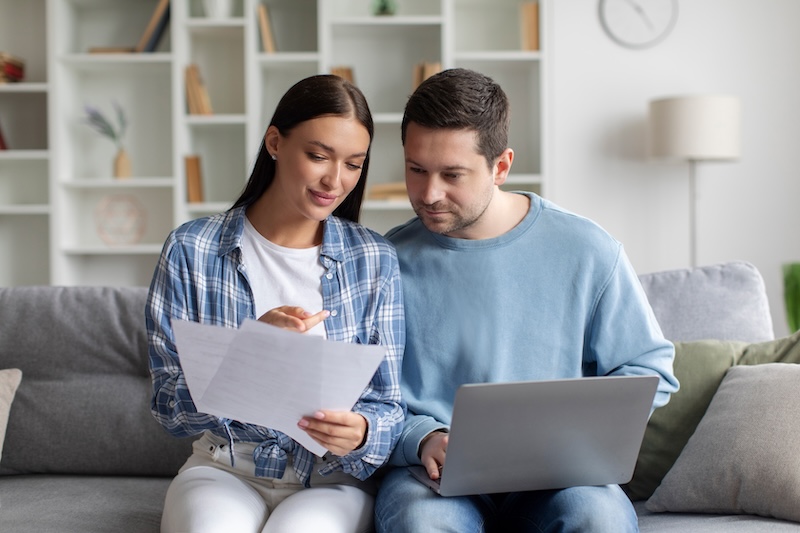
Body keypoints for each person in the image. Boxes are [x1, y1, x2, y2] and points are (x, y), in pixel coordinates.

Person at [373, 68, 679, 532]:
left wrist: (574, 433)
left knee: (598, 518)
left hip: (560, 478)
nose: (429, 193)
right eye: (416, 170)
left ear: (501, 166)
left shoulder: (588, 249)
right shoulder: (385, 262)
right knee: (422, 523)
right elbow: (365, 395)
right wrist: (422, 437)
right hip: (430, 476)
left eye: (452, 174)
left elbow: (649, 371)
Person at [146, 74, 405, 533]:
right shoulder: (192, 249)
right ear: (275, 142)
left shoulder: (374, 258)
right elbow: (169, 407)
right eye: (318, 156)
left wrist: (362, 432)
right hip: (225, 466)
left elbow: (388, 405)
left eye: (354, 164)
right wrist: (250, 353)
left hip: (331, 477)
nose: (335, 180)